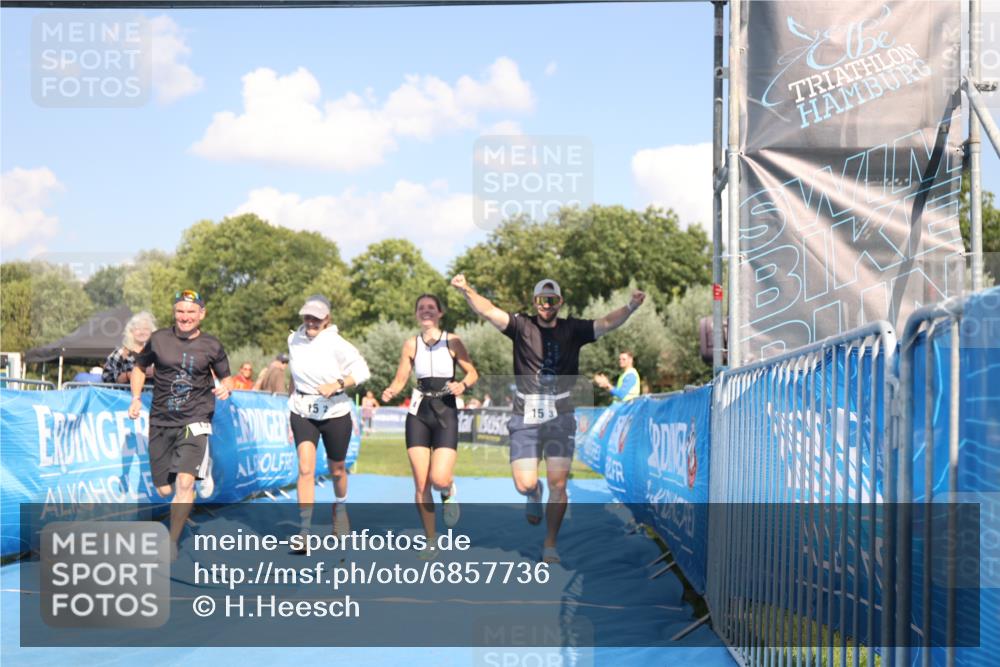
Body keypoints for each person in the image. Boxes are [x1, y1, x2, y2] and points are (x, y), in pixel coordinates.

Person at [451, 274, 645, 564]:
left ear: (560, 302)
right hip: (525, 416)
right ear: (535, 302)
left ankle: (550, 543)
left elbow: (606, 323)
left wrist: (630, 307)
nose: (546, 304)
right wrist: (466, 289)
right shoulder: (521, 325)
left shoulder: (573, 329)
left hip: (560, 415)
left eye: (552, 299)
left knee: (558, 484)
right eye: (542, 299)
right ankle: (533, 493)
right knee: (524, 484)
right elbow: (488, 310)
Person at [127, 290, 233, 560]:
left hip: (196, 419)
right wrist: (136, 398)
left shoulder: (211, 345)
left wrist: (226, 388)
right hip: (161, 420)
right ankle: (198, 473)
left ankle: (171, 541)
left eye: (191, 312)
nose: (185, 317)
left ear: (202, 314)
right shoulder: (159, 339)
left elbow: (227, 378)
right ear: (174, 313)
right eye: (180, 312)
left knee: (185, 483)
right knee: (165, 489)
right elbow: (139, 367)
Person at [382, 294, 478, 558]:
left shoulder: (453, 341)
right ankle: (431, 540)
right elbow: (401, 378)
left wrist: (463, 385)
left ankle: (448, 490)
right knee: (422, 484)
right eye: (421, 308)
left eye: (431, 308)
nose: (426, 311)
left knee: (439, 478)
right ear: (416, 314)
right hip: (419, 413)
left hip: (446, 410)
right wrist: (391, 390)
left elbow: (472, 373)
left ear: (440, 313)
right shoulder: (411, 344)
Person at [288, 295, 370, 547]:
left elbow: (362, 371)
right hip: (303, 410)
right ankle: (304, 531)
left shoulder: (337, 343)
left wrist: (337, 384)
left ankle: (341, 508)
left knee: (337, 469)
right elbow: (294, 375)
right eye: (308, 316)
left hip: (335, 411)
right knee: (305, 469)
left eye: (317, 318)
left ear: (327, 319)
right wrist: (290, 401)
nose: (311, 322)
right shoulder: (293, 339)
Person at [102, 311, 157, 385]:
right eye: (138, 329)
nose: (142, 332)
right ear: (131, 331)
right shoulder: (120, 353)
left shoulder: (158, 352)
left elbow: (170, 374)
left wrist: (156, 372)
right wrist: (128, 375)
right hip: (126, 392)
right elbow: (106, 377)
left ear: (152, 331)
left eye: (146, 329)